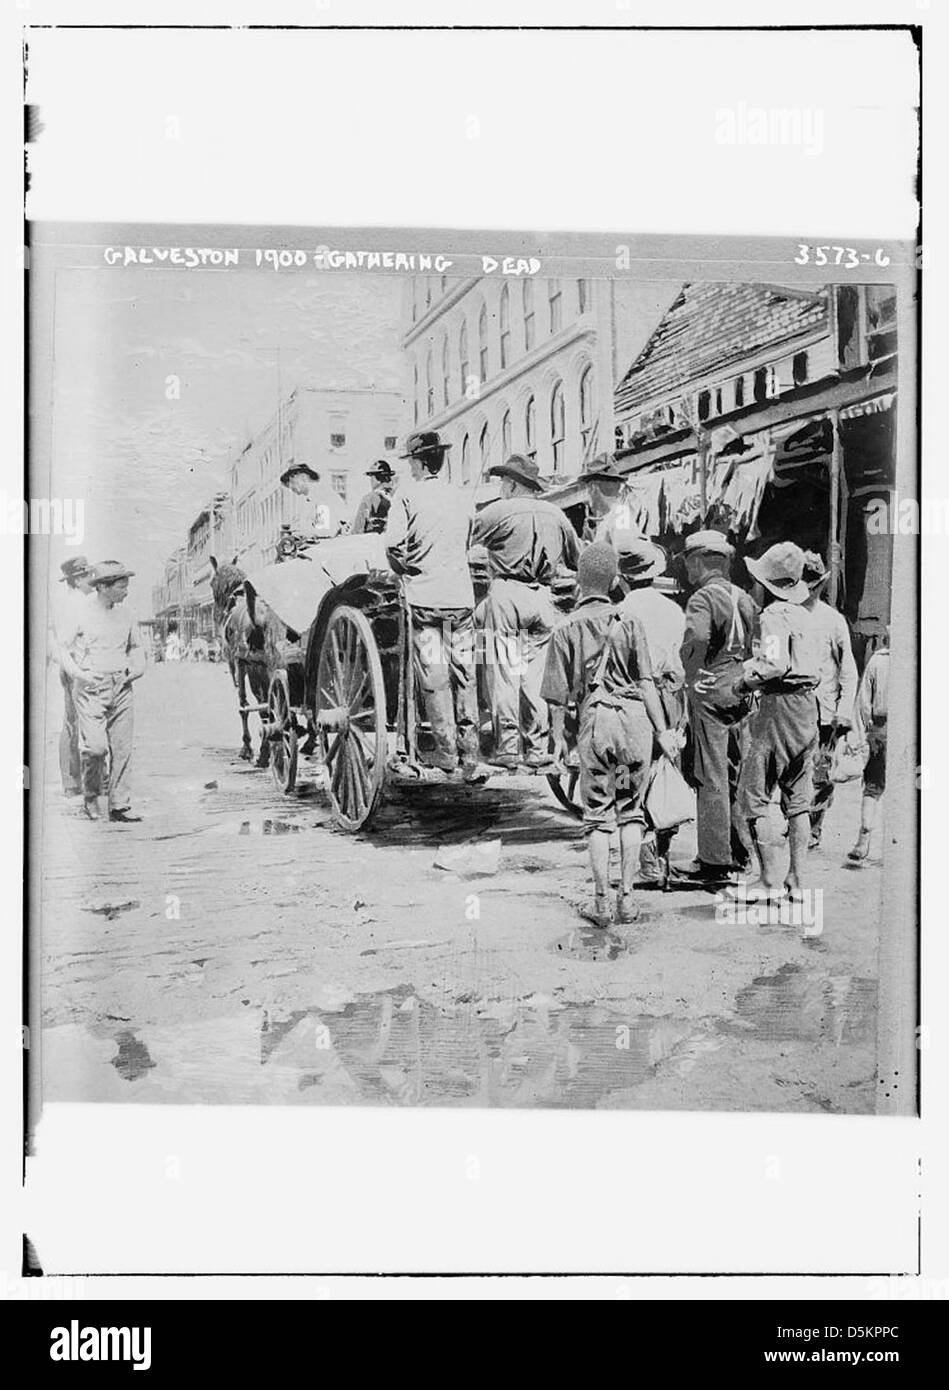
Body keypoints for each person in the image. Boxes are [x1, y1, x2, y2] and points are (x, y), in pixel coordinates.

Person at [541, 543, 679, 928]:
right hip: (635, 726)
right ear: (616, 580)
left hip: (597, 724)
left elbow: (557, 699)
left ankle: (601, 903)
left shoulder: (565, 628)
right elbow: (648, 683)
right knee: (630, 810)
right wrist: (663, 732)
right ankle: (628, 901)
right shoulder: (630, 622)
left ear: (579, 583)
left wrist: (557, 744)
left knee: (598, 816)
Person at [385, 431, 489, 782]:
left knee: (435, 677)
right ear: (440, 460)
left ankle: (447, 755)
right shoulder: (461, 496)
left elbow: (394, 549)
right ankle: (470, 753)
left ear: (418, 461)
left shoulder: (407, 496)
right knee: (465, 675)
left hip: (425, 599)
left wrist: (409, 568)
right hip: (461, 600)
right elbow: (467, 541)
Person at [471, 453, 579, 770]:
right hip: (543, 598)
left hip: (506, 593)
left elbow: (464, 542)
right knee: (534, 678)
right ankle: (535, 747)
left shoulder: (497, 511)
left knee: (505, 672)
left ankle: (506, 748)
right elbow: (578, 559)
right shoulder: (557, 515)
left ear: (513, 483)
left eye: (504, 481)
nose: (502, 487)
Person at [735, 542, 821, 900]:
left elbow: (774, 665)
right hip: (807, 708)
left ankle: (767, 876)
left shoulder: (773, 616)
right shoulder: (808, 614)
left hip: (778, 707)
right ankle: (797, 879)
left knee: (754, 793)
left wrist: (744, 679)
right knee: (798, 798)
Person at [678, 530, 757, 883]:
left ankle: (713, 861)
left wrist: (692, 677)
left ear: (698, 562)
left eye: (688, 562)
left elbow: (696, 641)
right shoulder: (746, 597)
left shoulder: (701, 598)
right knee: (737, 773)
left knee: (710, 773)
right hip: (741, 686)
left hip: (710, 688)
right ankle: (742, 853)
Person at [615, 537, 686, 888]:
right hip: (672, 694)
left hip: (633, 701)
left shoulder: (622, 611)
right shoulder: (674, 610)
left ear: (623, 577)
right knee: (667, 770)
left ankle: (638, 855)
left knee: (626, 775)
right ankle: (663, 855)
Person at [59, 561, 146, 822]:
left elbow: (136, 646)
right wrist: (79, 674)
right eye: (122, 586)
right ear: (104, 587)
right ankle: (92, 797)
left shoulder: (127, 614)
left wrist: (138, 668)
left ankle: (119, 805)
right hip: (90, 688)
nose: (126, 591)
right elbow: (62, 648)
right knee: (96, 748)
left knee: (122, 749)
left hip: (121, 686)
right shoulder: (81, 613)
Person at [801, 551, 858, 848]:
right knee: (793, 771)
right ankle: (797, 821)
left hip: (825, 714)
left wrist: (844, 710)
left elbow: (848, 670)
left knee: (821, 773)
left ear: (820, 585)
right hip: (794, 711)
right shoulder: (786, 614)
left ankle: (814, 827)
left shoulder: (833, 621)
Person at [49, 555, 94, 796]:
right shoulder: (72, 605)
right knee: (72, 725)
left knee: (80, 724)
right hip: (75, 668)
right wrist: (76, 672)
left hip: (81, 668)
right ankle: (72, 782)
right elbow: (63, 646)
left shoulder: (82, 602)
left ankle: (81, 780)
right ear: (76, 580)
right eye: (87, 575)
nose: (92, 580)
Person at [848, 633, 890, 861]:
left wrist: (860, 733)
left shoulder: (878, 660)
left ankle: (863, 841)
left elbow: (864, 701)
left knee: (872, 787)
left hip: (880, 731)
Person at [279, 461, 351, 540]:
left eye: (292, 482)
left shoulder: (322, 495)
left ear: (303, 477)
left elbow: (326, 531)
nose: (291, 487)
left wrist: (303, 533)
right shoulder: (311, 498)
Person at [583, 455, 642, 545]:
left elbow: (625, 551)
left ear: (593, 487)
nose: (587, 496)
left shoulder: (620, 516)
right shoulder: (612, 517)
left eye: (587, 489)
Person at [352, 460, 396, 535]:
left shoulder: (368, 498)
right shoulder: (398, 496)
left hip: (371, 542)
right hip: (392, 541)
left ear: (377, 479)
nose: (371, 481)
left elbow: (358, 529)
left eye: (371, 478)